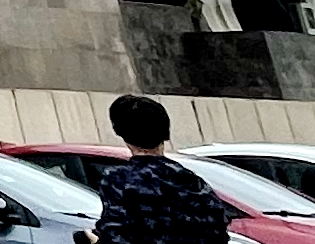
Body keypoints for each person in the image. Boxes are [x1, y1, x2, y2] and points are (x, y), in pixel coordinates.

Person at [90, 97, 232, 244]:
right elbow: (219, 232)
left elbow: (116, 236)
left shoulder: (119, 179)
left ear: (120, 132)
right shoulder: (192, 181)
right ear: (165, 132)